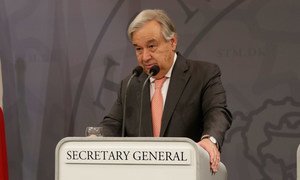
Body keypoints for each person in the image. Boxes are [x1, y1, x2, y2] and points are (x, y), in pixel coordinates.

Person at [100, 9, 232, 173]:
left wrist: (210, 139)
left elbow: (217, 112)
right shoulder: (132, 84)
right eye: (138, 49)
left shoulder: (203, 74)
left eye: (152, 46)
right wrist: (94, 141)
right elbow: (112, 125)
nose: (145, 57)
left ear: (173, 42)